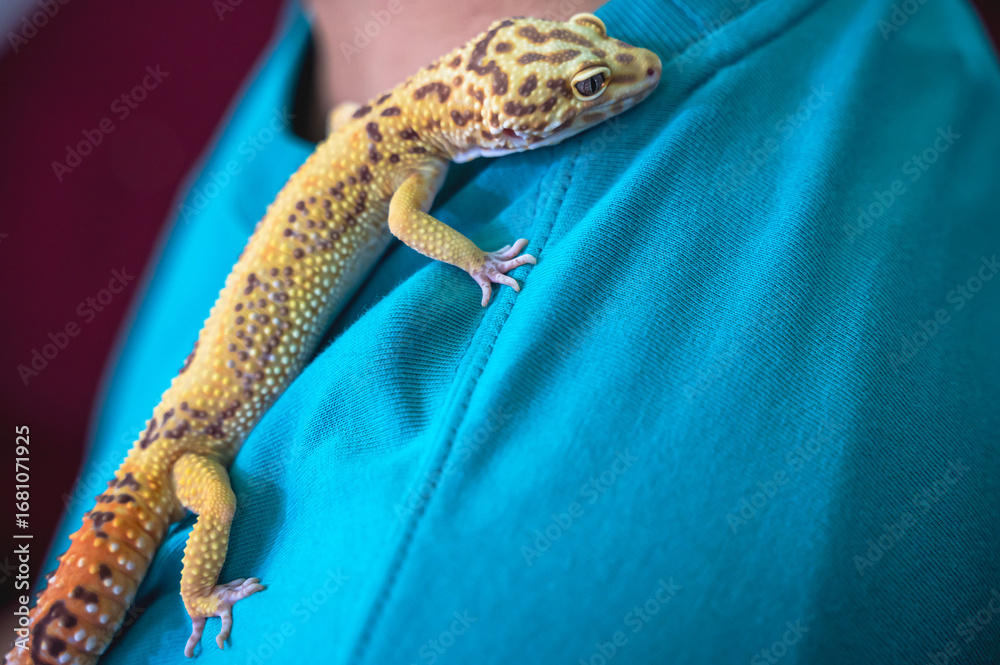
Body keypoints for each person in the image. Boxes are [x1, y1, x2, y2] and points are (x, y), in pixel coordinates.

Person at [41, 0, 1000, 662]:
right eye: (588, 88)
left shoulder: (375, 97)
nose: (635, 74)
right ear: (501, 119)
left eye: (590, 66)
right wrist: (478, 262)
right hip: (183, 449)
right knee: (175, 530)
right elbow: (408, 224)